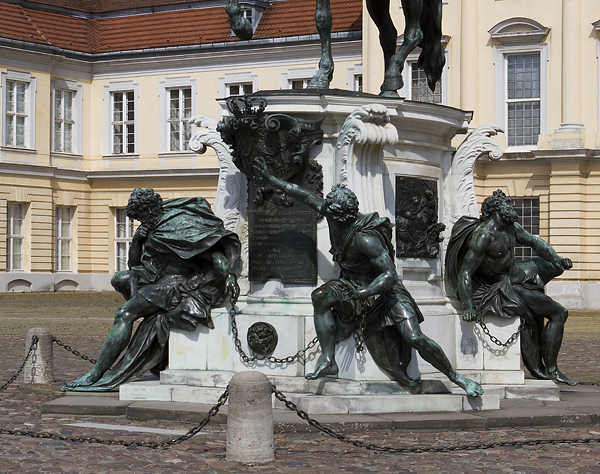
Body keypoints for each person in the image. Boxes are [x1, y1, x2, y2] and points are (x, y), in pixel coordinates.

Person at [255, 159, 483, 397]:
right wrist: (271, 180)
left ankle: (456, 378)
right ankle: (330, 360)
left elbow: (390, 275)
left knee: (414, 336)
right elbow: (303, 195)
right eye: (327, 210)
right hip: (352, 284)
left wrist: (363, 293)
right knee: (320, 296)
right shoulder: (333, 213)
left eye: (333, 212)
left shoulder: (365, 239)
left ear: (345, 215)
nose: (327, 214)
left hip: (385, 292)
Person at [63, 187, 240, 392]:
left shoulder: (179, 225)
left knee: (124, 314)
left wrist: (228, 275)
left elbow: (214, 255)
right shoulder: (152, 227)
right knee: (120, 279)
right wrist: (138, 240)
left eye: (140, 217)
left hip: (174, 283)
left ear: (148, 210)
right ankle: (146, 319)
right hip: (155, 277)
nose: (140, 222)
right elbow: (134, 264)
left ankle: (95, 374)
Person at [445, 189, 575, 384]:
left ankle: (541, 282)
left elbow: (535, 242)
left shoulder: (510, 227)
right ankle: (551, 369)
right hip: (498, 287)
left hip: (514, 274)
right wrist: (470, 306)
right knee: (559, 313)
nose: (513, 207)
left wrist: (557, 259)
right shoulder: (483, 237)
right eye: (508, 204)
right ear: (497, 209)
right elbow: (465, 273)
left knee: (554, 266)